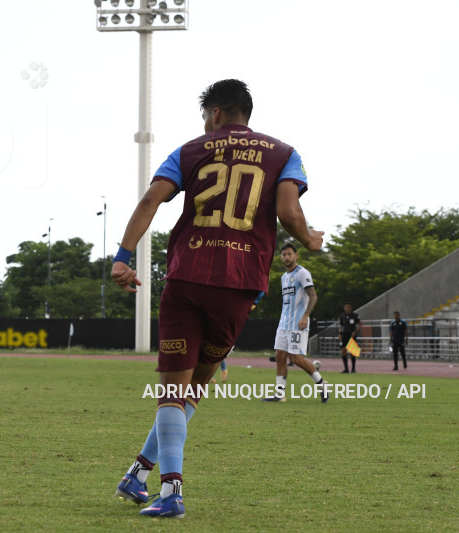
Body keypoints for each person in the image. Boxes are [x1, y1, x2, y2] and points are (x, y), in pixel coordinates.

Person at [110, 80, 324, 518]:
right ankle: (139, 475)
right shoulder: (284, 153)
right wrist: (310, 239)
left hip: (187, 278)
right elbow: (288, 211)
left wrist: (123, 257)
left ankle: (166, 490)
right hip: (240, 284)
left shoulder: (190, 150)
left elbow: (153, 198)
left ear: (214, 114)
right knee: (192, 391)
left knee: (173, 389)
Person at [261, 242, 328, 403]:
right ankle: (279, 394)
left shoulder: (302, 273)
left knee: (296, 358)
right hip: (284, 323)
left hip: (298, 324)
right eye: (284, 255)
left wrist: (305, 316)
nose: (286, 257)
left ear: (296, 255)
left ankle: (321, 383)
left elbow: (313, 296)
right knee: (279, 356)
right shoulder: (284, 277)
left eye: (289, 254)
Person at [339, 303, 360, 373]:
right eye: (346, 307)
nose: (347, 309)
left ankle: (353, 369)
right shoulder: (342, 316)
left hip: (352, 335)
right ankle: (346, 369)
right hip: (344, 335)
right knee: (343, 350)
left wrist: (355, 331)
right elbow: (341, 326)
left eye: (348, 307)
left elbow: (359, 325)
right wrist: (340, 334)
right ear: (344, 308)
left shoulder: (355, 316)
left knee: (352, 352)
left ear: (351, 308)